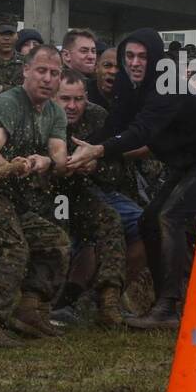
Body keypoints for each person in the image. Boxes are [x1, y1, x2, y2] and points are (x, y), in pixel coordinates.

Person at [66, 29, 196, 329]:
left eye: (143, 57)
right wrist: (78, 150)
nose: (135, 63)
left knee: (170, 217)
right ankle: (165, 300)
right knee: (148, 221)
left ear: (156, 59)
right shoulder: (127, 81)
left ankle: (170, 306)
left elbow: (141, 131)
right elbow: (116, 123)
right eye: (129, 56)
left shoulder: (169, 84)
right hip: (188, 162)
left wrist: (97, 151)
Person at [0, 45, 70, 346]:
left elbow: (59, 155)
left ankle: (29, 312)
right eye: (41, 71)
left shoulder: (54, 112)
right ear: (26, 71)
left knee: (54, 242)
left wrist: (46, 161)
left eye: (54, 73)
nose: (47, 79)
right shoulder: (7, 103)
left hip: (14, 198)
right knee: (15, 248)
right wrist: (10, 166)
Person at [49, 70, 127, 326]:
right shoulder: (42, 115)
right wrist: (57, 167)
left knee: (112, 220)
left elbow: (116, 169)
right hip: (46, 194)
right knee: (59, 234)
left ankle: (108, 298)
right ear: (53, 97)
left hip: (84, 192)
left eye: (79, 99)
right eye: (65, 99)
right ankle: (51, 300)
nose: (72, 106)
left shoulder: (98, 117)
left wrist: (95, 167)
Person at [91, 45, 118, 110]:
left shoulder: (130, 98)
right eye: (107, 65)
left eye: (119, 67)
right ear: (97, 67)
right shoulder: (83, 93)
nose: (113, 71)